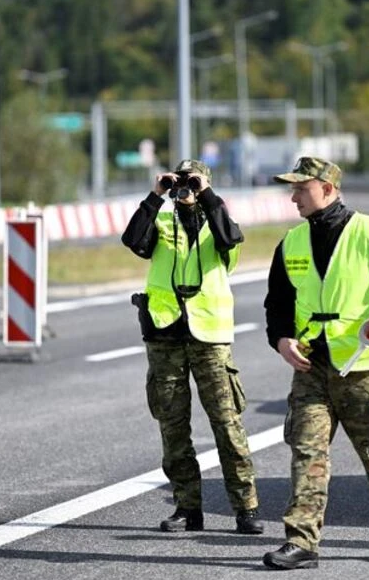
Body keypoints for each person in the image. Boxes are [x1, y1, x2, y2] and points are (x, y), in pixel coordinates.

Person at [261, 156, 369, 569]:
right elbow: (278, 305)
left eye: (301, 188)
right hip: (311, 366)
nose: (293, 196)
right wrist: (282, 340)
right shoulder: (292, 242)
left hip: (361, 365)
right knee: (306, 451)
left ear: (328, 188)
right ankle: (301, 542)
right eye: (293, 188)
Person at [121, 158, 264, 535]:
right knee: (172, 426)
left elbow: (230, 241)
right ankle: (187, 508)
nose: (184, 187)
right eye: (180, 181)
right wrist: (156, 196)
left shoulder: (218, 223)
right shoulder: (163, 219)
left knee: (227, 424)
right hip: (165, 333)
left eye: (192, 182)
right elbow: (134, 240)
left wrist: (207, 195)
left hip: (210, 337)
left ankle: (246, 508)